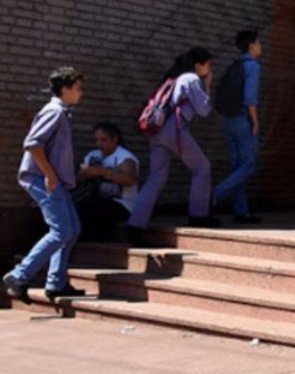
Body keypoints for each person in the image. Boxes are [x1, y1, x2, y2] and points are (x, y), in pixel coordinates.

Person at [4, 67, 86, 303]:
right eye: (78, 88)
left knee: (72, 229)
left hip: (53, 180)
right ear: (65, 89)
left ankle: (56, 283)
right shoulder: (54, 112)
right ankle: (18, 276)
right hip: (43, 179)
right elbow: (33, 144)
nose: (81, 93)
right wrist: (50, 176)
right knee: (61, 231)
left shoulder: (62, 112)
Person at [127, 47, 220, 243]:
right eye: (209, 65)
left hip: (157, 131)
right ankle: (198, 216)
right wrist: (207, 86)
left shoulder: (173, 78)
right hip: (175, 129)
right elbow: (204, 110)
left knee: (156, 178)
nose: (210, 69)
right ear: (198, 65)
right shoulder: (191, 78)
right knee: (202, 167)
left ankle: (135, 225)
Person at [212, 30, 263, 224]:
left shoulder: (234, 65)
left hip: (227, 119)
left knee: (237, 166)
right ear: (251, 46)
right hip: (242, 119)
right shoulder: (252, 67)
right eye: (258, 43)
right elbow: (250, 98)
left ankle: (241, 211)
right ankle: (215, 195)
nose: (260, 46)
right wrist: (255, 121)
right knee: (248, 165)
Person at [74, 122, 139, 242]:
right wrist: (87, 173)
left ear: (114, 139)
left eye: (103, 140)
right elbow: (78, 177)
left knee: (94, 211)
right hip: (93, 198)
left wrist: (103, 172)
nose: (99, 144)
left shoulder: (125, 157)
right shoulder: (93, 155)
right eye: (97, 140)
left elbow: (130, 180)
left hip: (122, 204)